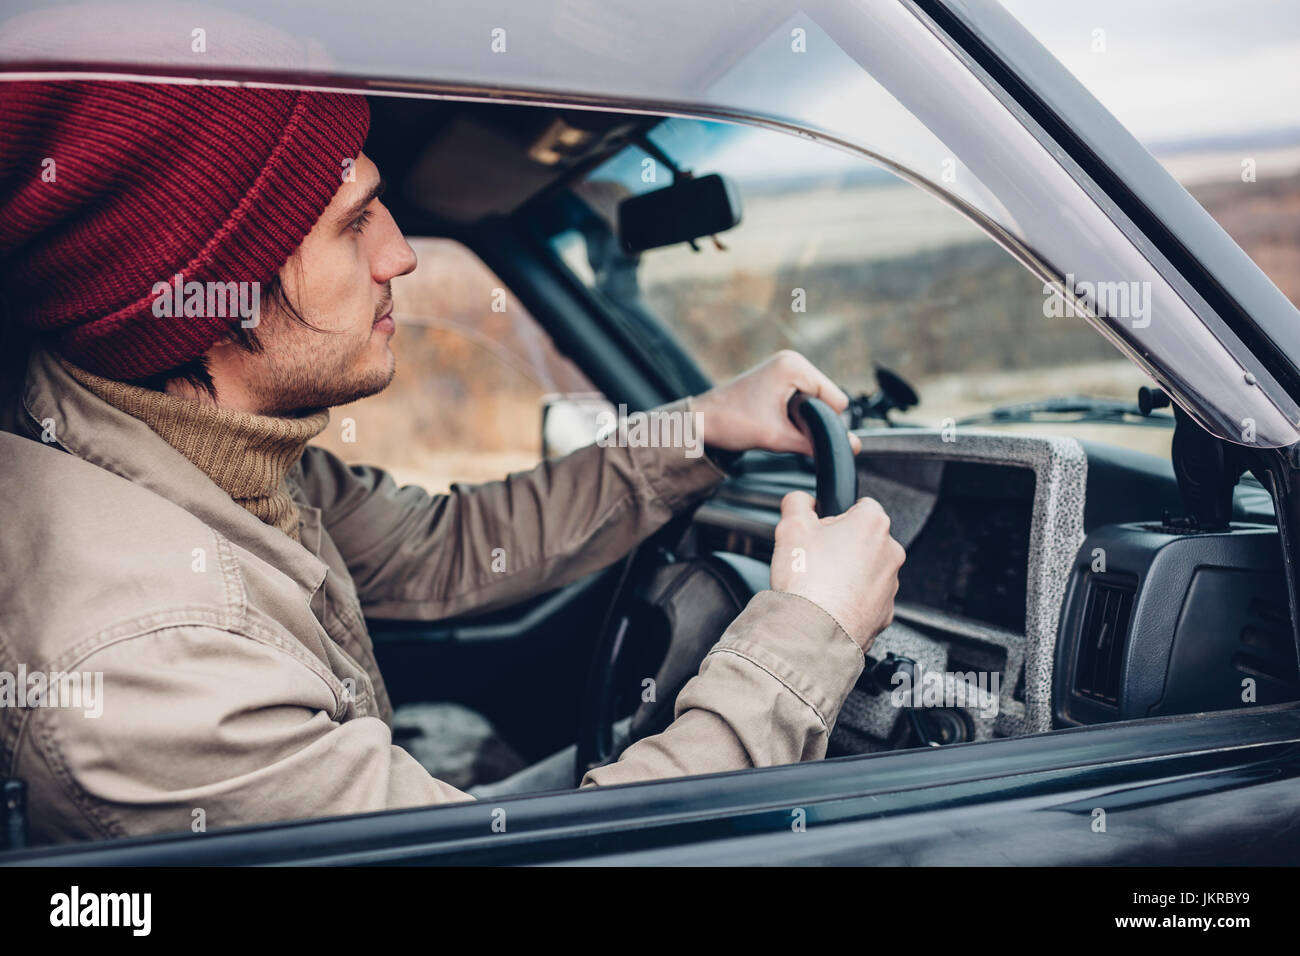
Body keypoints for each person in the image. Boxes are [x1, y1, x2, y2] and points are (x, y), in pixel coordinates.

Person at [0, 80, 904, 844]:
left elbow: (441, 547)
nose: (400, 253)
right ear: (209, 297)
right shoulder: (149, 661)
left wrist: (698, 426)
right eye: (354, 224)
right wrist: (805, 637)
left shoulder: (190, 441)